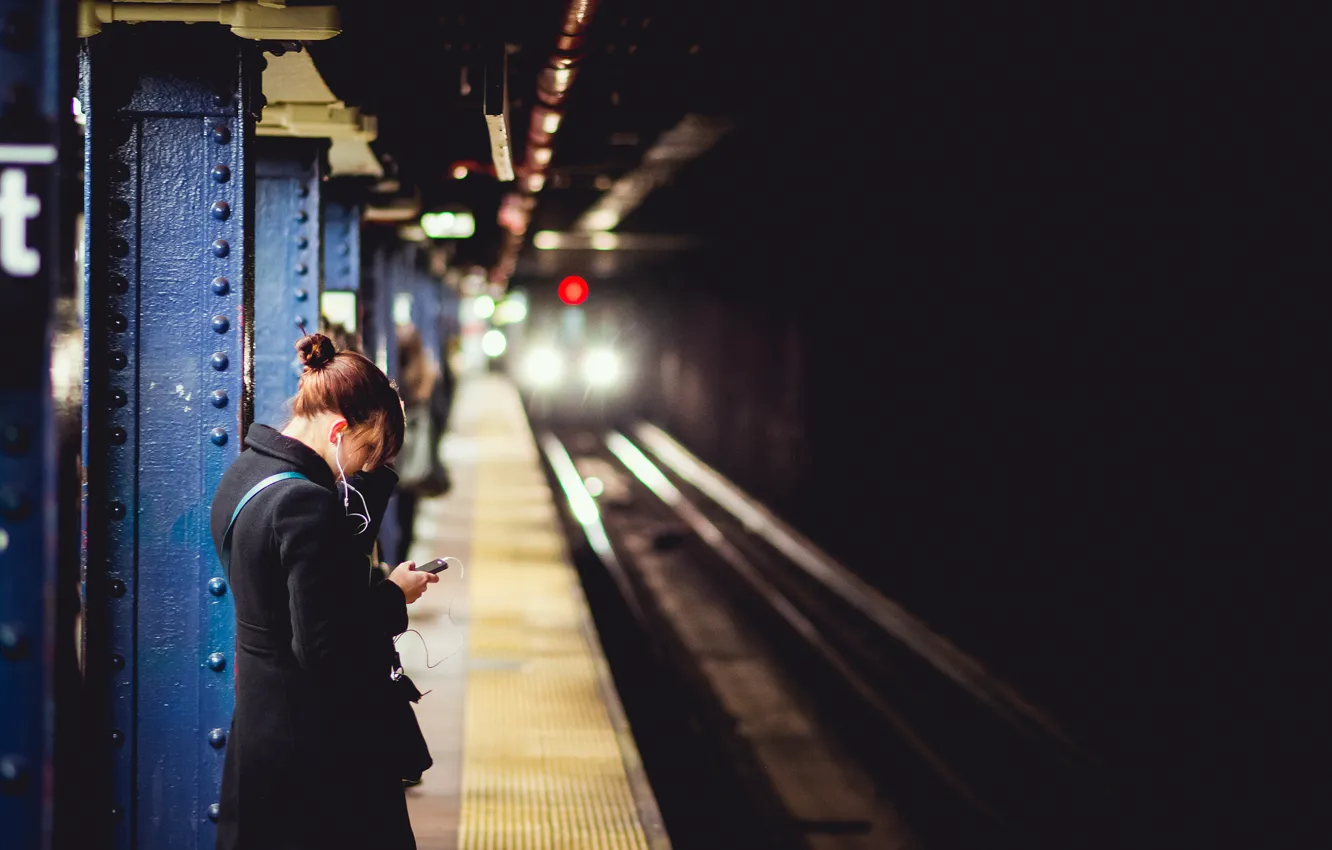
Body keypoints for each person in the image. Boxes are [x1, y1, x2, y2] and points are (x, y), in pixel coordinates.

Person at [208, 333, 438, 850]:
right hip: (316, 749)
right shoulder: (305, 504)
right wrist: (393, 597)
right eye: (365, 452)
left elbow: (293, 597)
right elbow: (324, 645)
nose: (361, 470)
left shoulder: (244, 473)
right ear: (338, 429)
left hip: (260, 732)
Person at [391, 324, 452, 564]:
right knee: (408, 518)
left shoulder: (389, 380)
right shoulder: (427, 377)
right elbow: (442, 415)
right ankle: (403, 563)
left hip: (391, 459)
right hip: (415, 461)